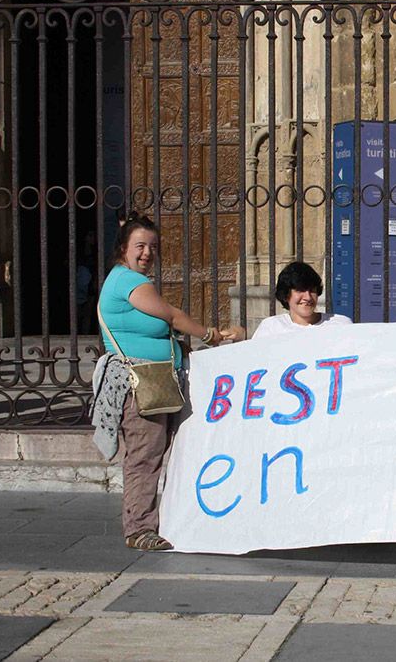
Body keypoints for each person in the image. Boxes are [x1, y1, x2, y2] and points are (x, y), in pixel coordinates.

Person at [90, 215, 242, 552]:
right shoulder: (128, 282)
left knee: (156, 453)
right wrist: (210, 334)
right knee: (144, 456)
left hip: (157, 380)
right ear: (123, 248)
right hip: (141, 384)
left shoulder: (129, 280)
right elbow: (172, 315)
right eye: (140, 246)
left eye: (153, 247)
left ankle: (156, 520)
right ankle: (139, 528)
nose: (147, 253)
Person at [253, 261, 351, 339]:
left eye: (312, 290)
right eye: (300, 290)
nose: (308, 297)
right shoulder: (271, 328)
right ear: (286, 295)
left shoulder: (340, 324)